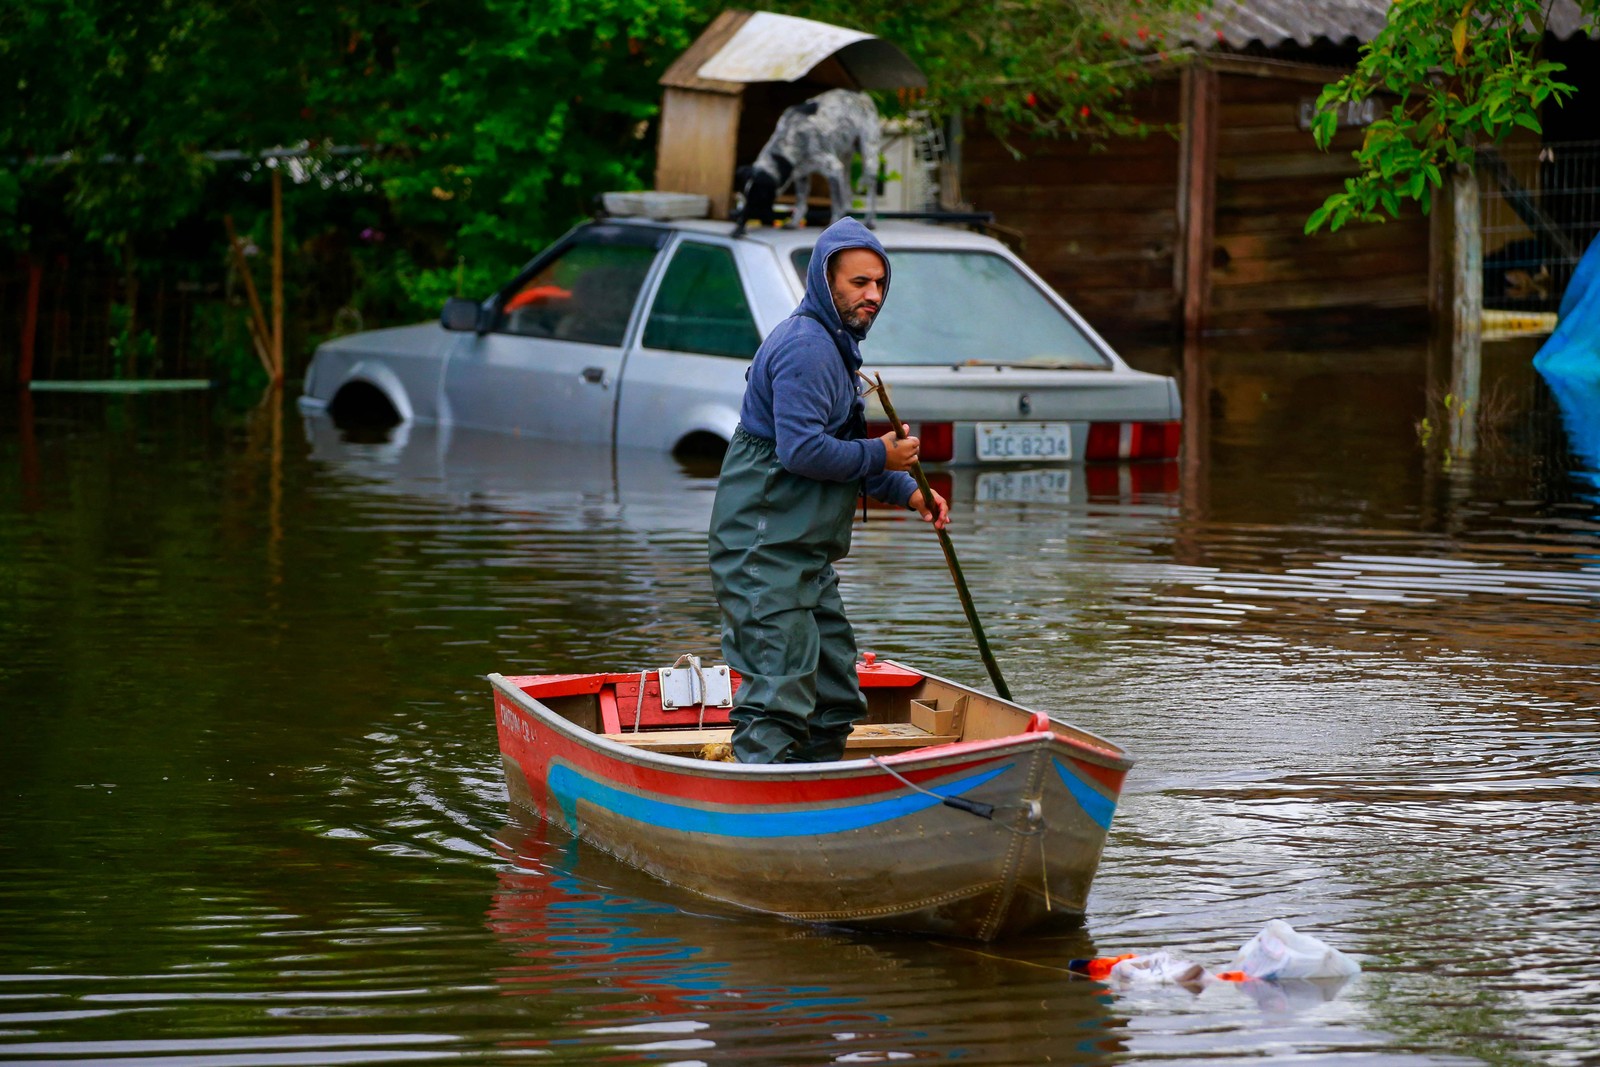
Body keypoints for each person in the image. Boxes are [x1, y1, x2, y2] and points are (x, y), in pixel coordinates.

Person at [708, 217, 950, 764]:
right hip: (762, 554)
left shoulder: (838, 349)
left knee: (836, 692)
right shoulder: (807, 348)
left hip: (803, 556)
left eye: (880, 284)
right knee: (780, 690)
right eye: (859, 282)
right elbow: (802, 452)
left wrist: (906, 490)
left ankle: (816, 791)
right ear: (825, 281)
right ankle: (757, 810)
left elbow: (839, 452)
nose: (873, 295)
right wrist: (881, 453)